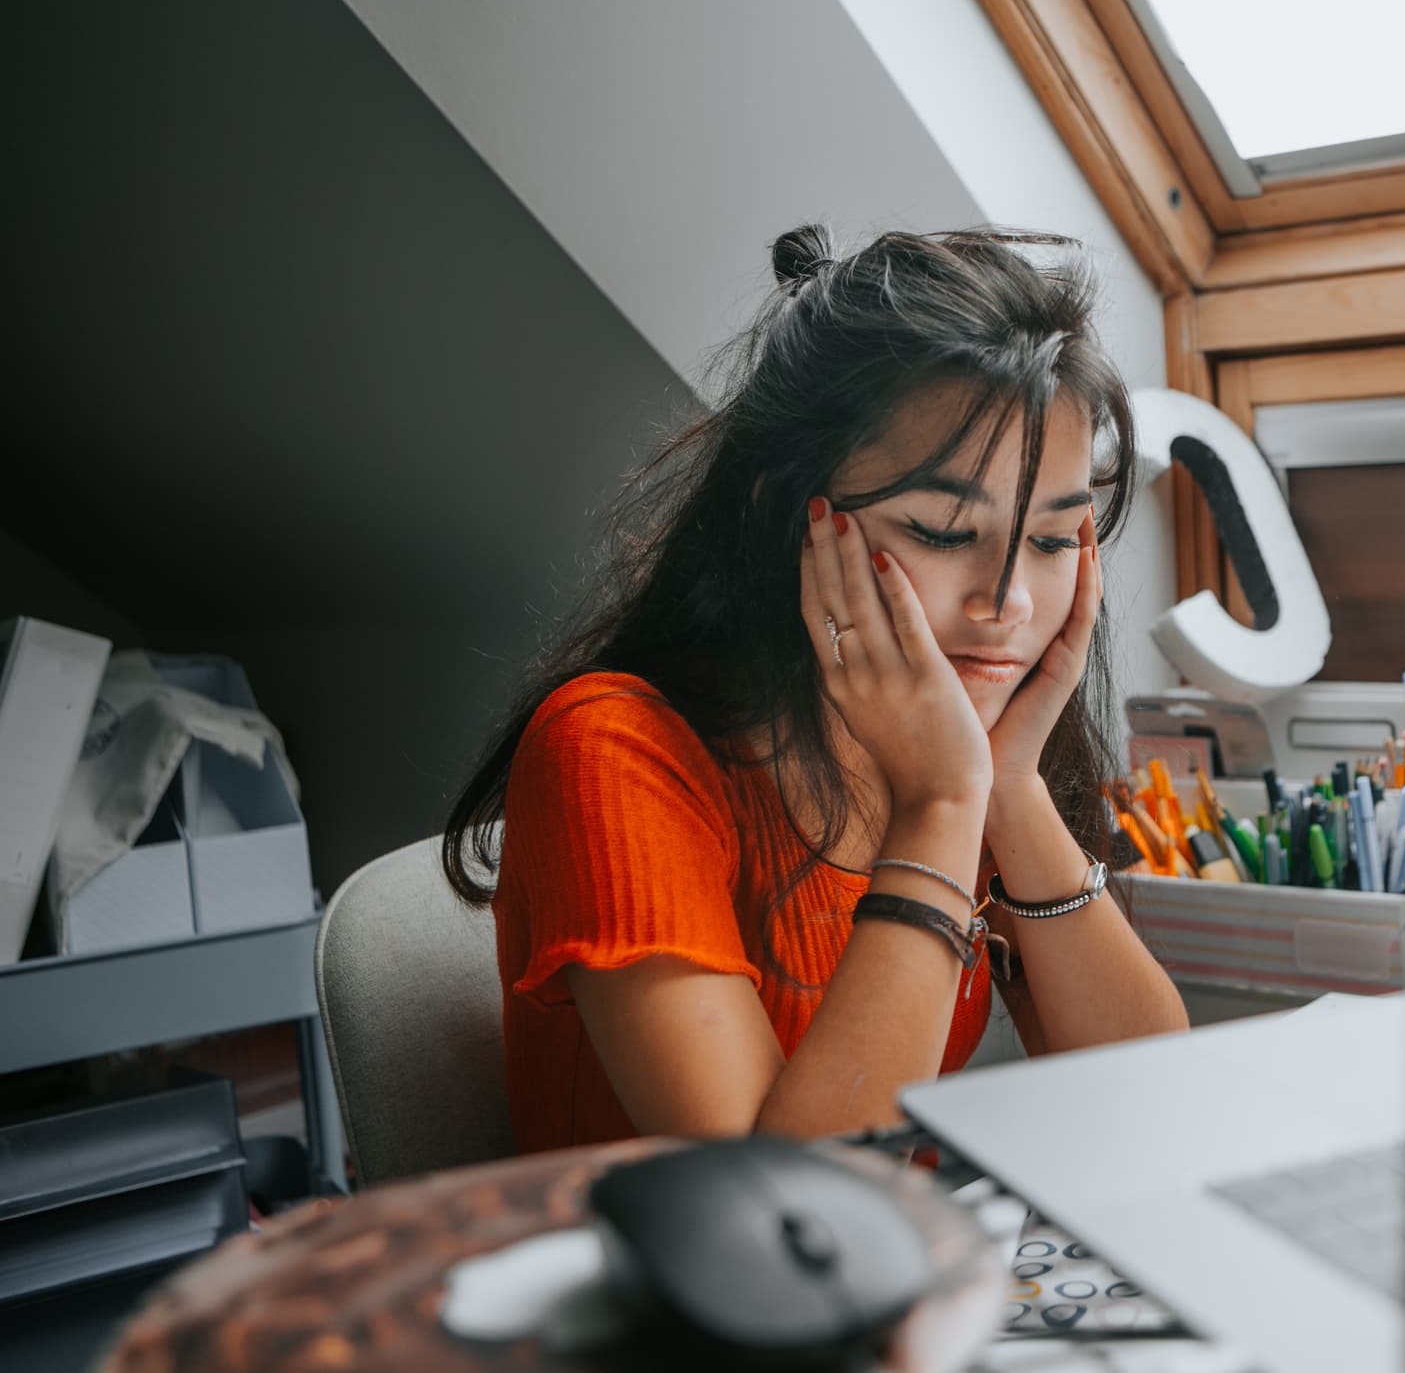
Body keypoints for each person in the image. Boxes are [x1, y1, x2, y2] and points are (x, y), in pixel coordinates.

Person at [442, 224, 1189, 1151]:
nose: (1005, 603)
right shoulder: (611, 748)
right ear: (787, 517)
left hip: (892, 1274)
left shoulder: (957, 746)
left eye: (1048, 543)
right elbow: (777, 1211)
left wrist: (1010, 789)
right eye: (944, 533)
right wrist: (944, 800)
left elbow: (1149, 1102)